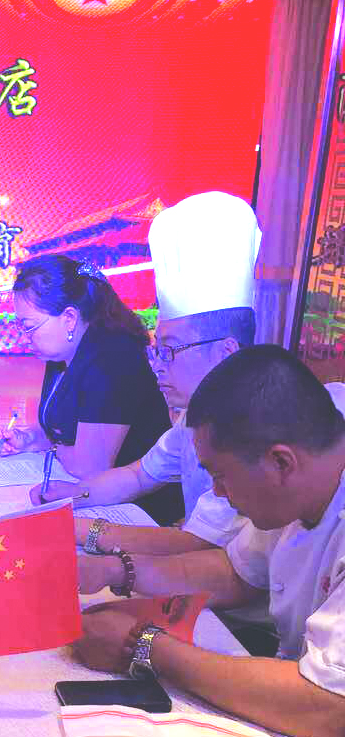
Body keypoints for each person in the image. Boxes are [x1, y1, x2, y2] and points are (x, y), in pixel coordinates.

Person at [74, 347, 345, 737]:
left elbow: (326, 706)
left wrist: (145, 644)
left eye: (220, 476)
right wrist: (117, 570)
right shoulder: (299, 482)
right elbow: (235, 573)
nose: (217, 492)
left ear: (282, 463)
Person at [34, 192, 262, 556]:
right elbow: (139, 474)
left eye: (171, 350)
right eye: (157, 349)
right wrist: (76, 494)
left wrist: (79, 529)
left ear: (227, 352)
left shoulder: (256, 429)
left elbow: (198, 543)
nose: (157, 364)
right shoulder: (194, 417)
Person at [0, 252, 175, 522]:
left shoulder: (111, 359)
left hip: (136, 509)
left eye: (29, 327)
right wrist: (30, 439)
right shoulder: (62, 354)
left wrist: (51, 447)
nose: (25, 338)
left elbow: (89, 466)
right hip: (88, 493)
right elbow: (60, 432)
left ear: (69, 318)